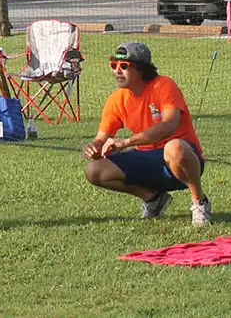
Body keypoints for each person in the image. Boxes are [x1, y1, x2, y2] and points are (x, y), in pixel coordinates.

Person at [83, 42, 211, 226]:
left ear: (141, 70)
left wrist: (126, 142)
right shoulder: (116, 99)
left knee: (174, 147)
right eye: (114, 65)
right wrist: (94, 147)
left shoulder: (164, 85)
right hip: (147, 159)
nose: (117, 71)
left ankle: (199, 202)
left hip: (181, 160)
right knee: (94, 170)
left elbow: (169, 126)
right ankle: (153, 200)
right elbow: (101, 137)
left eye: (124, 66)